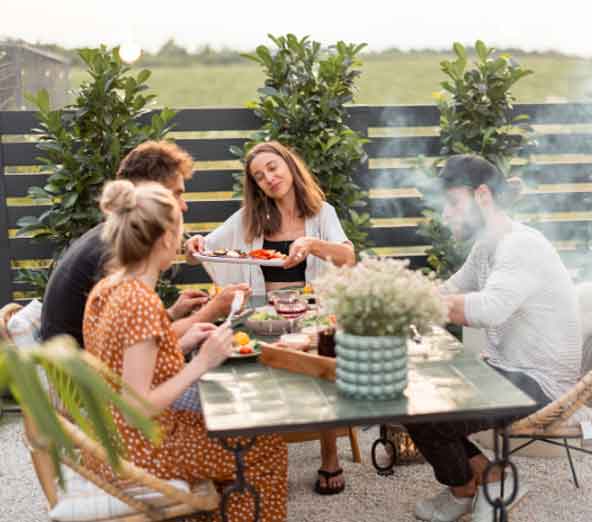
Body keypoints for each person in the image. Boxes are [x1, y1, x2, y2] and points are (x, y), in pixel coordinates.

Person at [84, 180, 287, 522]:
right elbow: (136, 405)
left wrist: (183, 341)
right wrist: (203, 362)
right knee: (266, 444)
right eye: (179, 230)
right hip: (142, 448)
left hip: (110, 436)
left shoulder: (110, 285)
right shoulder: (140, 302)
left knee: (240, 428)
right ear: (165, 237)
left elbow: (120, 364)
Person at [405, 155, 582, 522]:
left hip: (540, 384)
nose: (446, 215)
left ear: (482, 196)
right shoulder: (487, 245)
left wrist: (417, 303)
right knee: (412, 393)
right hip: (505, 369)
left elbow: (489, 309)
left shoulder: (521, 245)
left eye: (453, 203)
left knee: (424, 413)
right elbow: (452, 289)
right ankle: (488, 477)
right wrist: (405, 297)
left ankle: (467, 488)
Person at [185, 141, 356, 495]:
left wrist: (312, 244)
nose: (269, 178)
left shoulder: (322, 213)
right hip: (263, 313)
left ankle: (329, 454)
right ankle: (256, 453)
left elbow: (348, 257)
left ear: (290, 165)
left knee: (322, 364)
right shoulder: (252, 218)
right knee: (246, 367)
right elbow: (204, 253)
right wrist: (195, 245)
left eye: (273, 168)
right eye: (259, 176)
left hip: (314, 310)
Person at [40, 141, 249, 348]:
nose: (183, 206)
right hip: (85, 378)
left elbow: (129, 330)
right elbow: (137, 348)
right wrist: (213, 310)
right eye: (176, 194)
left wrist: (172, 313)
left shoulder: (114, 237)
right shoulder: (111, 254)